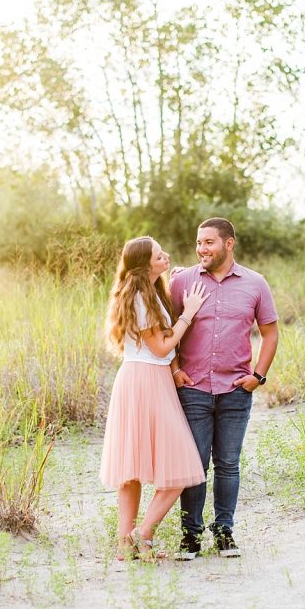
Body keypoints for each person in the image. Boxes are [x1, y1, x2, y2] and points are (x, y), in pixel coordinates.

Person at [168, 217, 279, 560]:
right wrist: (174, 369)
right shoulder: (181, 282)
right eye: (199, 242)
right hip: (194, 389)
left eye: (209, 242)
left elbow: (271, 333)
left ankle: (225, 532)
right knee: (194, 464)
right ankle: (191, 535)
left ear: (229, 244)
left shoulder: (255, 284)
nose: (201, 249)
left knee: (229, 464)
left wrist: (258, 377)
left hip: (235, 390)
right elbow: (165, 328)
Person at [99, 236, 210, 562]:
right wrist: (188, 314)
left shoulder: (147, 292)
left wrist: (171, 284)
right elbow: (162, 347)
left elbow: (160, 347)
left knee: (133, 468)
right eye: (160, 255)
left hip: (146, 378)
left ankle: (128, 543)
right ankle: (140, 534)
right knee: (180, 465)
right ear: (145, 264)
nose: (167, 256)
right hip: (145, 380)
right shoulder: (138, 298)